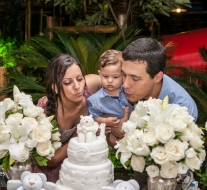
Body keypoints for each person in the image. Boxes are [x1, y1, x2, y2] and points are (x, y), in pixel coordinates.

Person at [108, 37, 198, 190]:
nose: (125, 84)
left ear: (157, 77)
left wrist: (125, 136)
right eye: (123, 74)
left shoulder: (182, 109)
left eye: (135, 78)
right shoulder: (130, 89)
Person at [34, 54, 102, 182]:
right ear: (55, 88)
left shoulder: (90, 87)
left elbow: (114, 79)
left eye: (80, 78)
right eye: (68, 82)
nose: (77, 86)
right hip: (47, 177)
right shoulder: (42, 112)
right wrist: (85, 134)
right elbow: (50, 160)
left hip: (83, 176)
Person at [87, 50, 133, 138]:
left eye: (115, 77)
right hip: (113, 133)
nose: (110, 80)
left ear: (123, 75)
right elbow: (93, 118)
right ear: (99, 74)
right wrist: (106, 121)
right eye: (105, 76)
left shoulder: (130, 90)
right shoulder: (95, 100)